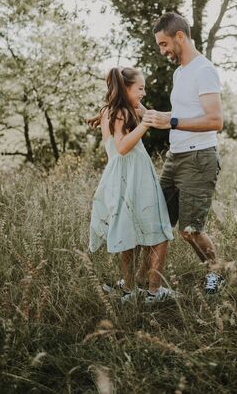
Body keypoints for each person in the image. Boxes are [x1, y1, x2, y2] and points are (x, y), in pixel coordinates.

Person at [142, 12, 225, 294]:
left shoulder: (204, 71)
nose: (163, 51)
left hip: (199, 159)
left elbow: (216, 121)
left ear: (179, 36)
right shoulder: (180, 72)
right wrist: (159, 116)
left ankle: (216, 275)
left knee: (190, 230)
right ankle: (146, 285)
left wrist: (173, 121)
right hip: (174, 158)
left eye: (164, 44)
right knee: (156, 221)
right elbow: (182, 114)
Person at [88, 67, 175, 302]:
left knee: (128, 232)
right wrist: (144, 125)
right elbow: (123, 147)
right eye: (140, 88)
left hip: (119, 178)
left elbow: (150, 115)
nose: (144, 92)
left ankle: (129, 289)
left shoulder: (111, 110)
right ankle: (153, 292)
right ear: (126, 88)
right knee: (159, 234)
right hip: (134, 178)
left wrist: (147, 114)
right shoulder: (121, 114)